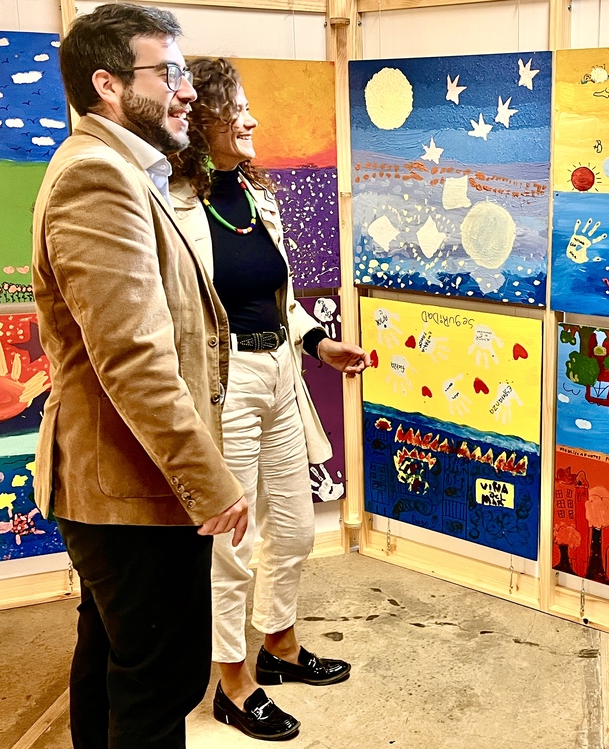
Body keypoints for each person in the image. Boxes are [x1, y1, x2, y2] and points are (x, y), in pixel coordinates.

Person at [31, 5, 251, 748]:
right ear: (109, 84)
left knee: (114, 665)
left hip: (121, 487)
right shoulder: (97, 176)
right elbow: (133, 358)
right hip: (131, 490)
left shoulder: (121, 168)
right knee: (160, 686)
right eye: (171, 72)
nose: (188, 90)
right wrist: (209, 481)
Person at [169, 57, 369, 741]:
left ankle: (278, 647)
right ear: (201, 120)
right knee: (232, 543)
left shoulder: (258, 195)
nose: (251, 120)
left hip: (281, 372)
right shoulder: (172, 204)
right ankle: (232, 682)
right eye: (236, 110)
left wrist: (318, 343)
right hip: (224, 383)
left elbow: (276, 296)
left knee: (293, 528)